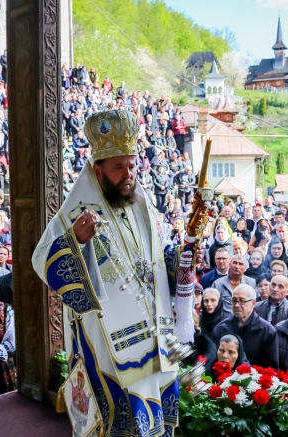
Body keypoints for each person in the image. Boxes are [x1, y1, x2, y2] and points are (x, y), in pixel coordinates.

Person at [32, 110, 197, 437]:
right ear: (98, 170)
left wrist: (181, 258)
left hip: (154, 333)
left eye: (132, 166)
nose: (128, 174)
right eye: (118, 167)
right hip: (108, 339)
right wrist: (75, 241)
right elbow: (41, 259)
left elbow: (156, 257)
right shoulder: (76, 210)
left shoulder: (142, 203)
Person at [212, 285, 279, 369]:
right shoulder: (221, 328)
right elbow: (213, 360)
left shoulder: (267, 331)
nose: (236, 305)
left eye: (242, 301)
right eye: (234, 300)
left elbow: (271, 368)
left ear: (253, 303)